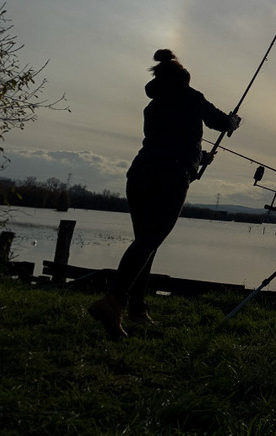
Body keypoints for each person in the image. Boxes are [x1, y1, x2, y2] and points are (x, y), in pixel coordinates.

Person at [88, 49, 240, 338]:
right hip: (171, 175)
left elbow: (170, 140)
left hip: (140, 173)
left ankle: (136, 309)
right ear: (183, 78)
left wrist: (199, 157)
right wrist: (234, 122)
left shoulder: (153, 106)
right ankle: (113, 302)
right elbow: (220, 122)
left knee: (145, 243)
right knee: (148, 242)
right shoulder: (191, 97)